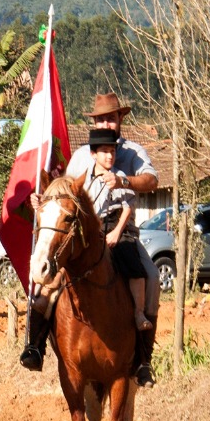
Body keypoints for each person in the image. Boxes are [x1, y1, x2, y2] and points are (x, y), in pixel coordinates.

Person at [21, 92, 160, 385]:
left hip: (122, 232)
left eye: (111, 118)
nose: (106, 123)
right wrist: (43, 199)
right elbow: (65, 190)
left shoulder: (133, 152)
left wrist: (124, 181)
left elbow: (152, 181)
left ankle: (143, 360)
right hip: (82, 232)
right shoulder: (83, 154)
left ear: (120, 119)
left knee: (151, 276)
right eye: (101, 119)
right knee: (50, 280)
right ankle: (35, 345)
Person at [84, 127, 153, 331]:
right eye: (105, 151)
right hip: (92, 226)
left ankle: (139, 313)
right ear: (93, 154)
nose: (110, 156)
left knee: (132, 261)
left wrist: (117, 232)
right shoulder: (84, 179)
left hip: (116, 225)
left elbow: (128, 206)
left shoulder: (120, 175)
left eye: (113, 151)